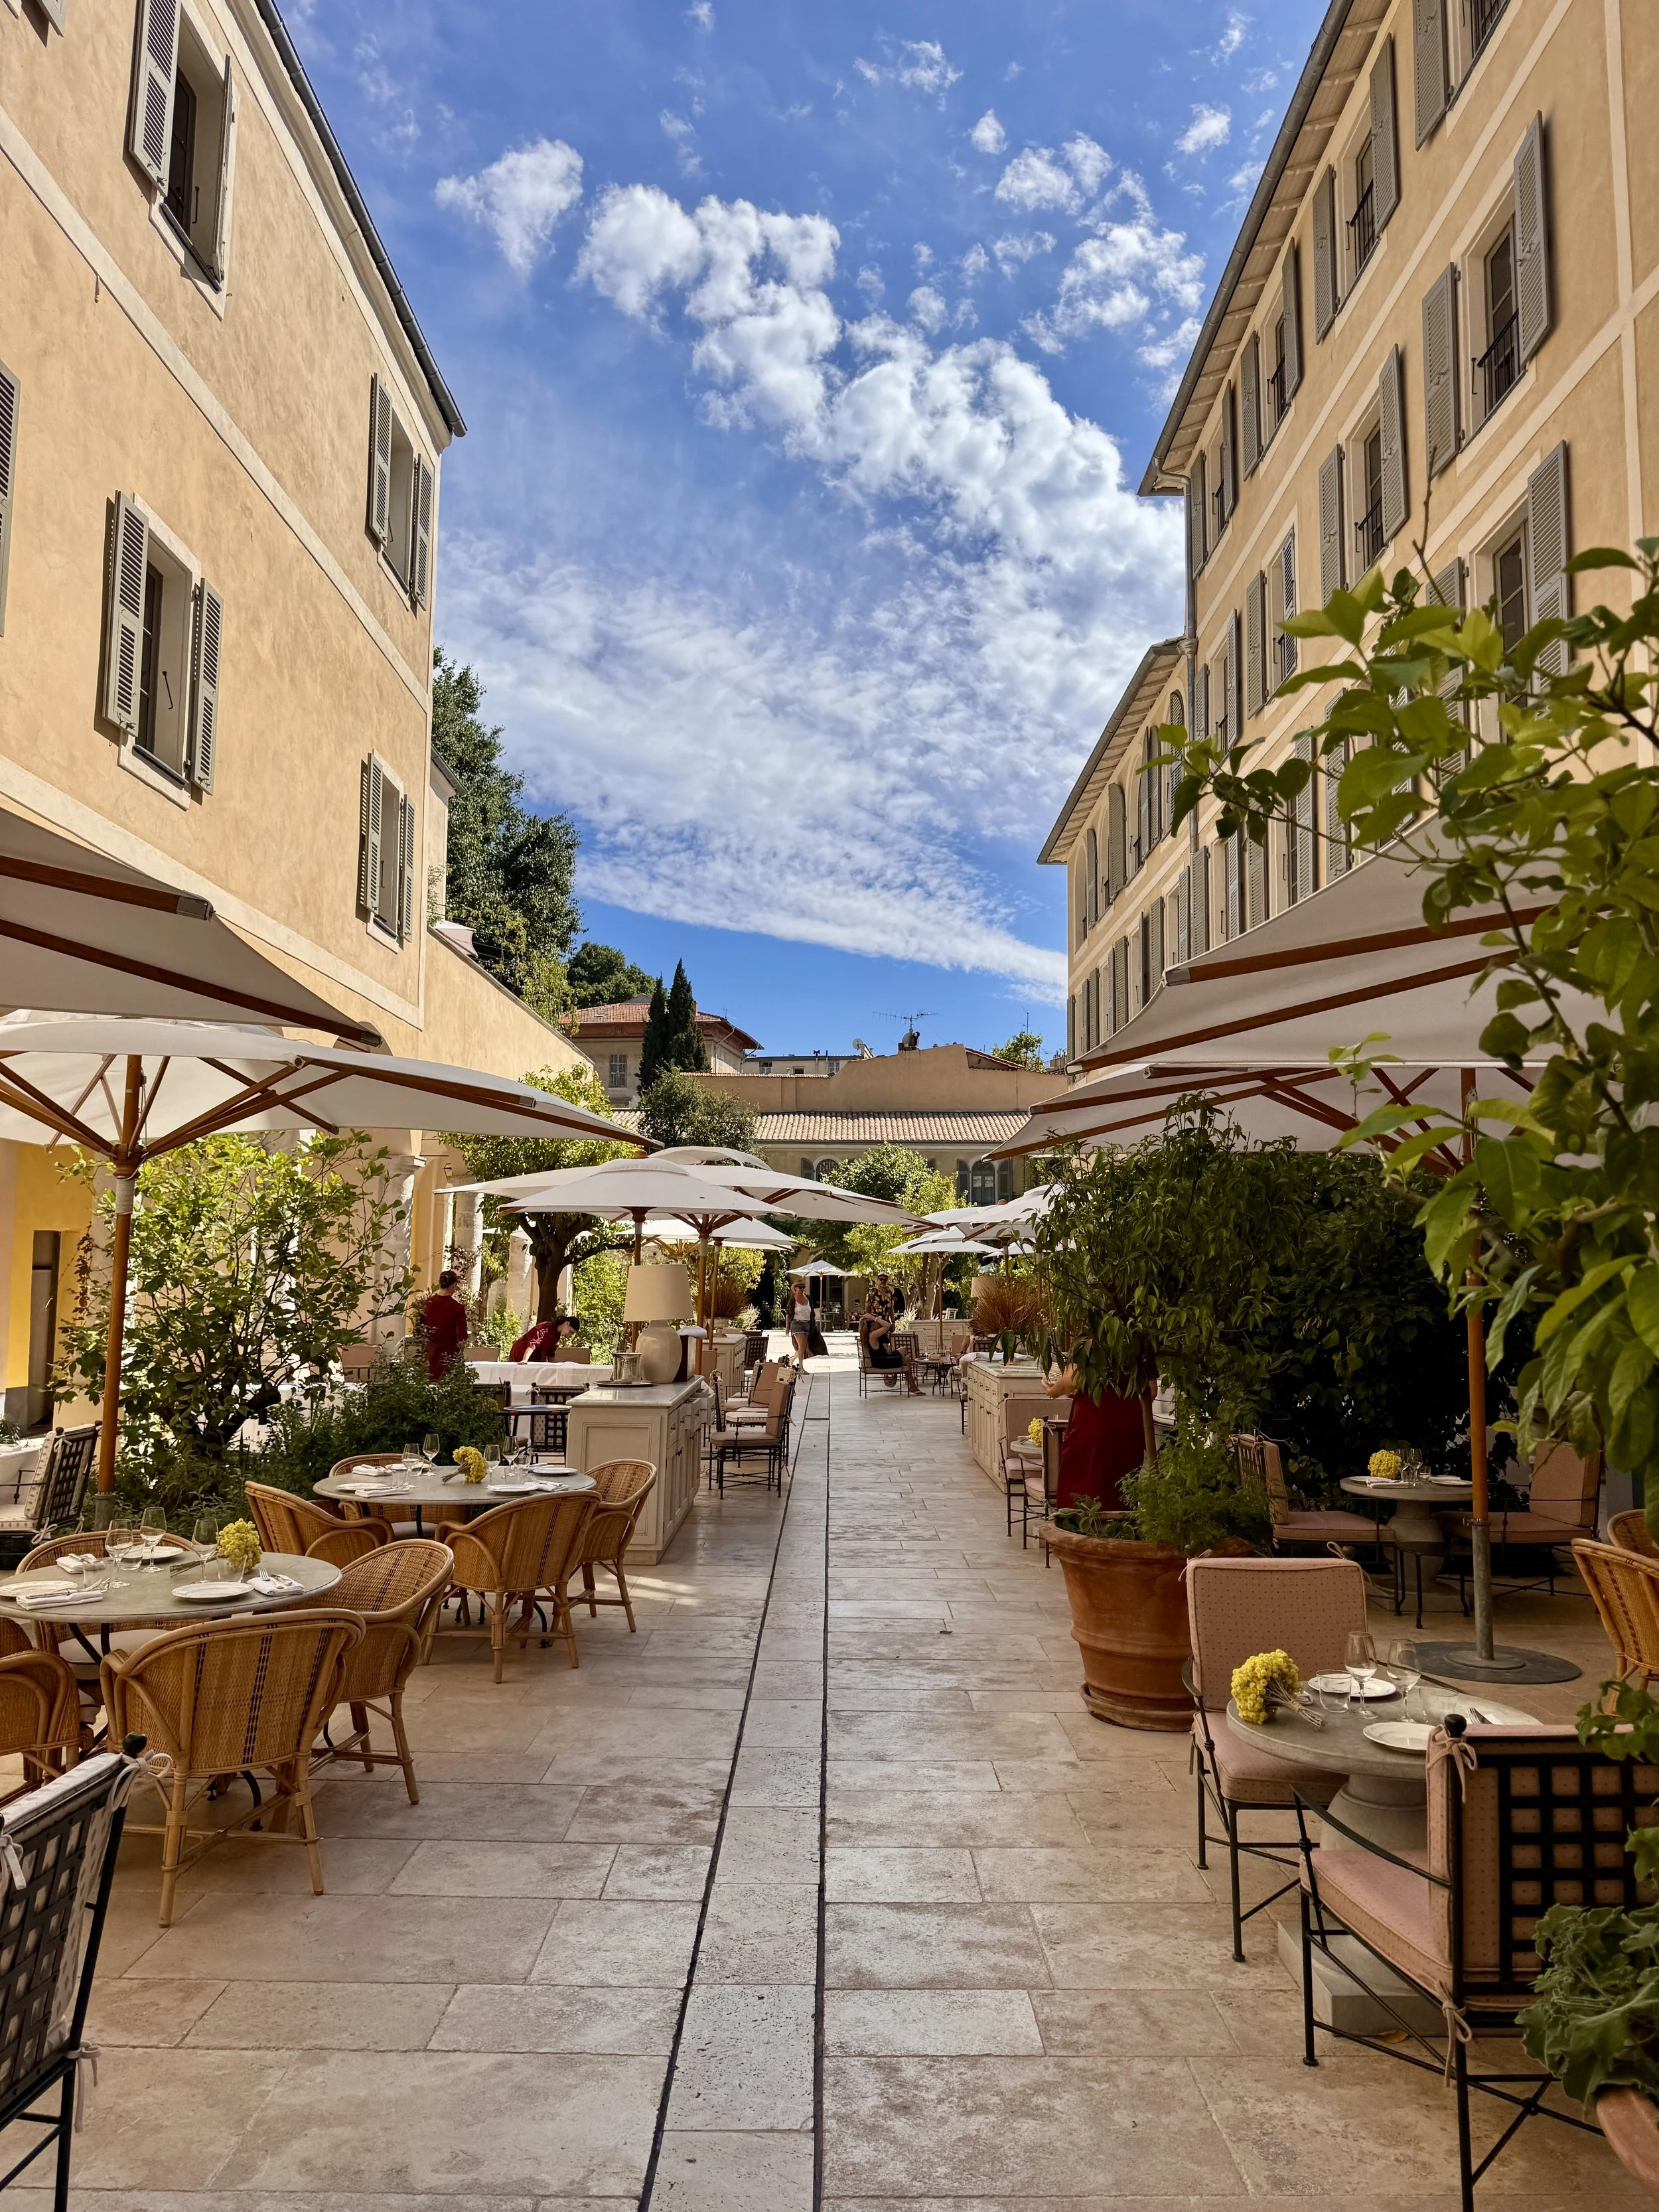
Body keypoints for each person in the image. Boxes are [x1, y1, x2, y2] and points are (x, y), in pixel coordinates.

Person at [1043, 1359, 1147, 1511]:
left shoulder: (1089, 1343)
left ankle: (1085, 1524)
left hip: (1093, 1415)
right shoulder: (1141, 1344)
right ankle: (1120, 1523)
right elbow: (1151, 1390)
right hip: (1129, 1415)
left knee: (1086, 1483)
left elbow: (1072, 1380)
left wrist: (1053, 1391)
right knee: (1123, 1483)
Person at [417, 1270, 470, 1381]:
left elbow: (419, 1332)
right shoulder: (457, 1308)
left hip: (429, 1357)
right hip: (449, 1358)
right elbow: (462, 1339)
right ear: (454, 1285)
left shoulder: (426, 1305)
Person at [508, 1315, 579, 1363]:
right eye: (571, 1332)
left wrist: (553, 1367)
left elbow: (550, 1353)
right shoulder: (546, 1328)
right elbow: (533, 1344)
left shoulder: (557, 1336)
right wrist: (525, 1360)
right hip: (522, 1351)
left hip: (535, 1355)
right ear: (567, 1324)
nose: (569, 1336)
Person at [788, 1280, 815, 1365]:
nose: (802, 1289)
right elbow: (788, 1314)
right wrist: (787, 1327)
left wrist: (813, 1322)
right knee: (802, 1346)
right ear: (795, 1288)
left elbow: (812, 1311)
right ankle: (801, 1367)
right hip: (797, 1324)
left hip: (807, 1324)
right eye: (800, 1287)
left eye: (803, 1287)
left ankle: (792, 1360)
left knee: (803, 1347)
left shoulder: (808, 1298)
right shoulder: (793, 1300)